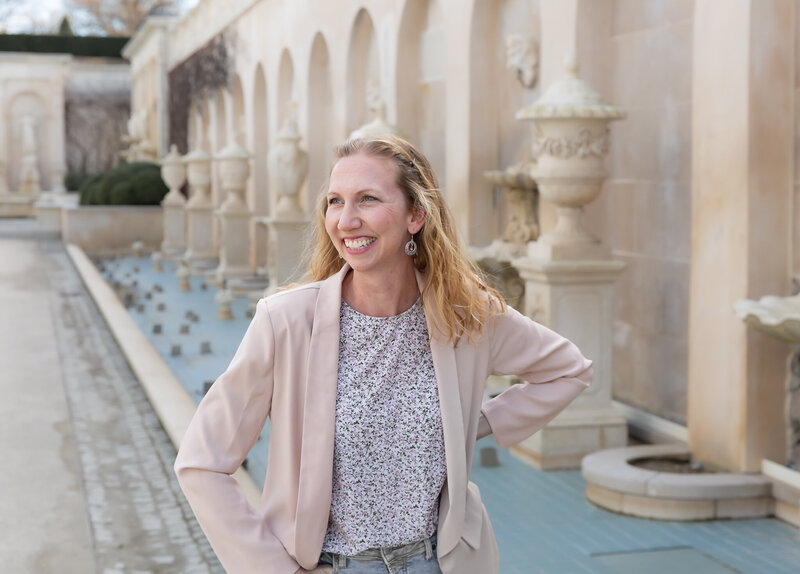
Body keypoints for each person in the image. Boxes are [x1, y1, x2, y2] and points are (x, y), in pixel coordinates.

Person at [174, 136, 593, 574]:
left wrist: (473, 422)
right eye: (335, 202)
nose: (347, 220)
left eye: (367, 200)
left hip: (442, 562)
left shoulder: (465, 315)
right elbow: (202, 462)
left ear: (416, 215)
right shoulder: (286, 322)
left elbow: (568, 370)